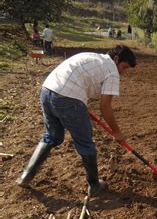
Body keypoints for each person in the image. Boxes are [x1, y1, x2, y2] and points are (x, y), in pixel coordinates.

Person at [16, 45, 136, 195]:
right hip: (68, 99)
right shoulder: (112, 71)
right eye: (123, 68)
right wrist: (117, 132)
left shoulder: (91, 56)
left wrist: (80, 103)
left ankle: (25, 176)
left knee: (52, 136)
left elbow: (77, 77)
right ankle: (94, 185)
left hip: (47, 91)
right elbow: (105, 106)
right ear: (116, 59)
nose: (121, 73)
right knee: (85, 142)